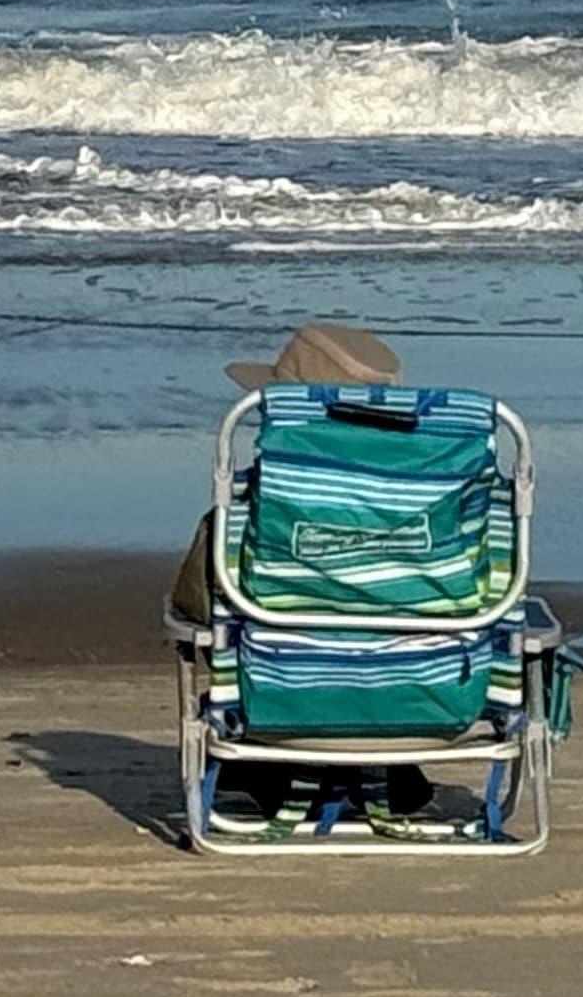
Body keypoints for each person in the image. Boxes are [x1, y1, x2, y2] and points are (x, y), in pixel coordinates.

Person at [170, 321, 433, 821]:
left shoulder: (260, 505)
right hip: (419, 702)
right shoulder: (440, 510)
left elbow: (193, 604)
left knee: (216, 624)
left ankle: (278, 767)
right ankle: (375, 769)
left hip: (281, 700)